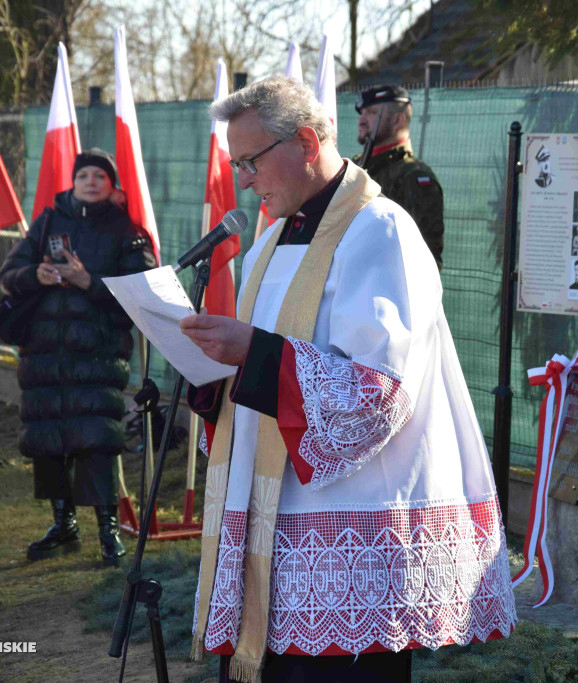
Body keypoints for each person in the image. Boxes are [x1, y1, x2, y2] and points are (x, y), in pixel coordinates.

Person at [180, 75, 516, 683]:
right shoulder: (269, 242)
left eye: (251, 161)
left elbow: (377, 394)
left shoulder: (379, 230)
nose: (244, 180)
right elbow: (259, 378)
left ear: (307, 143)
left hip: (349, 540)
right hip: (272, 529)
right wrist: (211, 379)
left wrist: (254, 353)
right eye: (236, 165)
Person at [0, 148, 156, 567]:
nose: (91, 181)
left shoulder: (128, 230)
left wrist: (88, 281)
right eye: (83, 174)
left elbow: (142, 290)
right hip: (44, 353)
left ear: (112, 185)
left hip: (98, 354)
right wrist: (35, 275)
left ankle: (108, 529)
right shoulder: (48, 221)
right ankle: (63, 525)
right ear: (72, 181)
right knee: (47, 438)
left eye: (100, 176)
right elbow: (8, 274)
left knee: (96, 439)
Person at [353, 84, 444, 269]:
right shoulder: (354, 168)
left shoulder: (414, 177)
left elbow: (426, 261)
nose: (361, 120)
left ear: (398, 120)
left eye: (371, 113)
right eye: (362, 113)